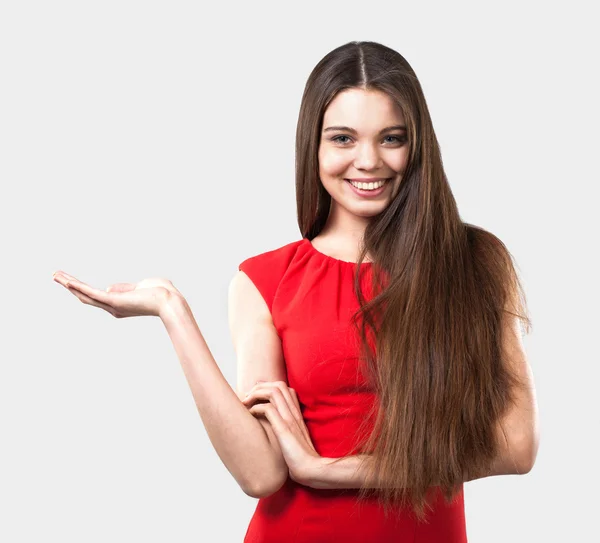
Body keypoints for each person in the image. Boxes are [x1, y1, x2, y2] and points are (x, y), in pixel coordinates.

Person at [52, 40, 539, 542]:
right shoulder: (266, 279)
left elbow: (516, 447)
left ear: (418, 146)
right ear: (315, 146)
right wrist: (171, 311)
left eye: (391, 138)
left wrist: (326, 468)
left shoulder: (476, 263)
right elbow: (260, 474)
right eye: (343, 139)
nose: (368, 161)